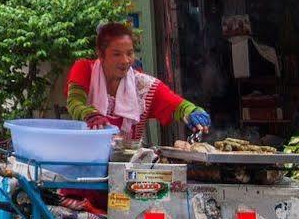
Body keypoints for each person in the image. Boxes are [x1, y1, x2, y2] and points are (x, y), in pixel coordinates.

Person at [64, 21, 211, 146]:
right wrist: (90, 115)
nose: (125, 60)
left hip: (128, 166)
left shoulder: (143, 85)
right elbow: (74, 102)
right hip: (88, 158)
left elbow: (178, 105)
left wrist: (193, 111)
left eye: (129, 53)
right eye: (117, 54)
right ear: (101, 55)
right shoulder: (84, 69)